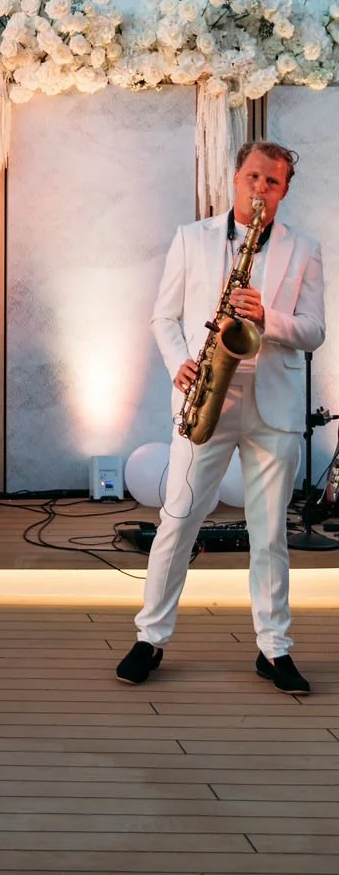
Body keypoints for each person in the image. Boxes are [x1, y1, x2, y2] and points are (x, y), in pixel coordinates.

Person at [117, 141, 325, 693]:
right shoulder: (192, 238)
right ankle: (150, 638)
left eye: (273, 183)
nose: (261, 189)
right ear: (236, 178)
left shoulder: (304, 249)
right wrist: (179, 362)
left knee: (269, 534)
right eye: (254, 177)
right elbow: (164, 316)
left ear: (284, 191)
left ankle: (273, 649)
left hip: (273, 407)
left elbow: (314, 331)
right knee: (179, 520)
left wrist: (270, 317)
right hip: (208, 392)